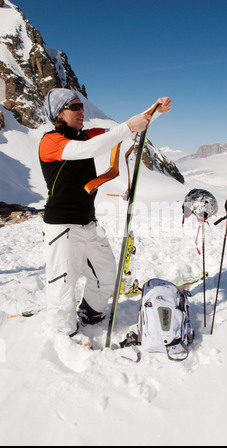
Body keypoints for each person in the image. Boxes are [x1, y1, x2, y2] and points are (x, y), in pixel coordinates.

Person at [40, 88, 171, 337]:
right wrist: (128, 126)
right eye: (75, 107)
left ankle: (91, 314)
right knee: (62, 285)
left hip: (88, 223)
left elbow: (122, 130)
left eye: (81, 106)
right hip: (61, 227)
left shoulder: (85, 135)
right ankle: (63, 335)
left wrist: (155, 111)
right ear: (59, 113)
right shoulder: (51, 141)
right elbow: (89, 149)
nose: (82, 111)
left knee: (107, 275)